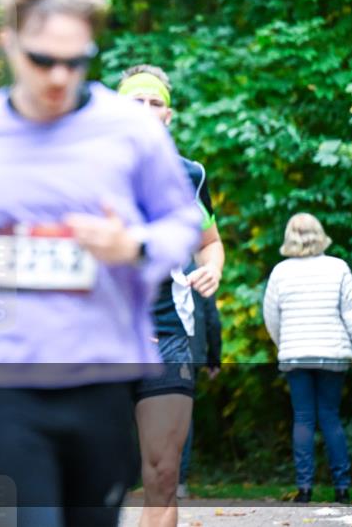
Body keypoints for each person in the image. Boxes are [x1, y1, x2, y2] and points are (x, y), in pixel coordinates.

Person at [0, 0, 202, 527]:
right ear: (8, 44)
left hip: (103, 373)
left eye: (77, 61)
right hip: (1, 377)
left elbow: (182, 223)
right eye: (43, 60)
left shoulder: (131, 132)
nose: (60, 76)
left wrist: (130, 245)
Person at [116, 65, 225, 527]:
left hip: (169, 335)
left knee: (162, 472)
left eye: (154, 102)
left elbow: (210, 242)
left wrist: (212, 270)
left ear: (169, 116)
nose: (144, 111)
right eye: (134, 102)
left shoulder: (189, 175)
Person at [263, 212, 352, 504]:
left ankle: (304, 488)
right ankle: (341, 488)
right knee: (330, 417)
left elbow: (271, 317)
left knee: (302, 418)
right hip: (332, 354)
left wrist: (284, 344)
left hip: (295, 355)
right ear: (320, 234)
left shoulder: (280, 272)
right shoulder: (338, 268)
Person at [177, 288, 222, 499]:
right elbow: (212, 319)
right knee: (182, 416)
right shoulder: (199, 275)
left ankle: (153, 475)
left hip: (151, 351)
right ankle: (179, 480)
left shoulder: (150, 263)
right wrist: (214, 357)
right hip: (189, 353)